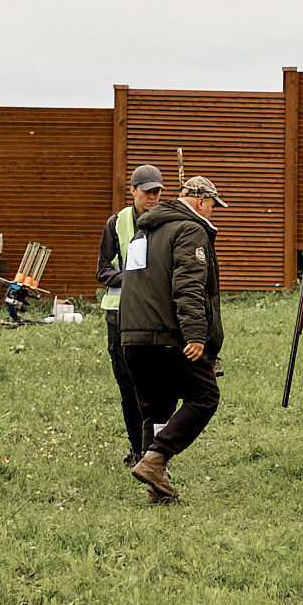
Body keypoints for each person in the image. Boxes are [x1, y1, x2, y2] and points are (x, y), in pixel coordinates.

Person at [120, 174, 228, 503]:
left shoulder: (145, 230)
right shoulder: (190, 229)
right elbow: (188, 286)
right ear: (199, 202)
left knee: (157, 409)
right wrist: (196, 335)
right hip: (168, 335)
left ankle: (158, 489)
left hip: (133, 336)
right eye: (212, 205)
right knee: (205, 396)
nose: (212, 212)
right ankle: (154, 461)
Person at [97, 163, 167, 465]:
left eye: (157, 192)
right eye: (147, 191)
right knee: (128, 389)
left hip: (155, 317)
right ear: (133, 191)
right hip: (120, 318)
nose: (153, 197)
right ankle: (137, 449)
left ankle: (156, 450)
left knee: (158, 388)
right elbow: (102, 271)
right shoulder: (116, 223)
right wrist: (132, 277)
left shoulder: (167, 222)